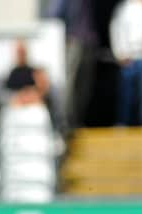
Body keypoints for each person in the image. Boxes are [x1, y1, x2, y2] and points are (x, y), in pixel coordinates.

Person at [48, 0, 99, 129]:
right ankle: (67, 122)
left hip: (89, 42)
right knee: (71, 84)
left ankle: (79, 121)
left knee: (85, 86)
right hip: (74, 40)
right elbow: (53, 14)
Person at [4, 39, 51, 107]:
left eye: (22, 52)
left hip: (34, 105)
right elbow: (7, 93)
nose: (21, 55)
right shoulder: (12, 73)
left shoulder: (34, 72)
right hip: (17, 106)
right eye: (19, 52)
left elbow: (42, 91)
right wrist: (20, 97)